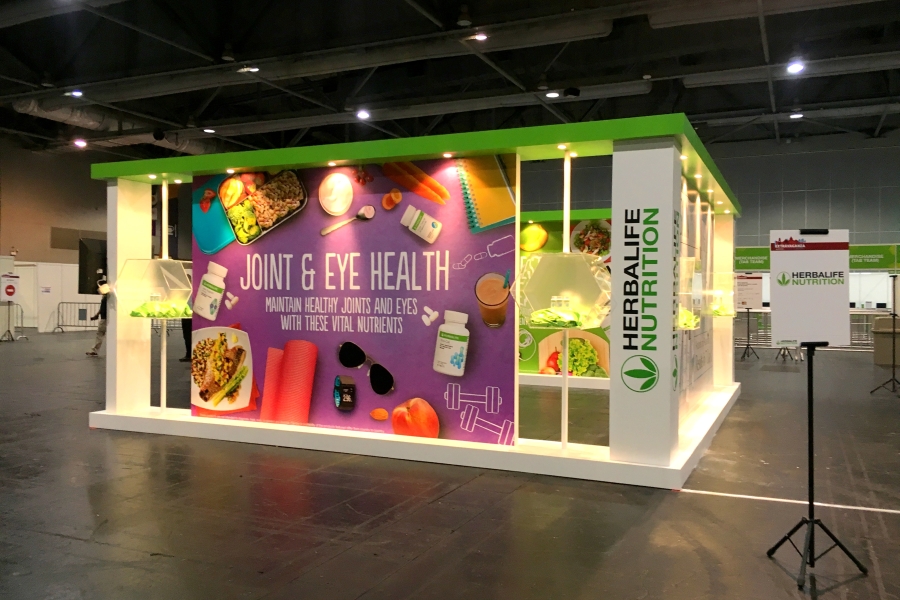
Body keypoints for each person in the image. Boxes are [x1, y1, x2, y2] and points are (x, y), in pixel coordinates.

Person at [86, 285, 109, 356]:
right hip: (106, 318)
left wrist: (97, 315)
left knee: (100, 334)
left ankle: (94, 350)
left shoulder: (106, 298)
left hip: (105, 318)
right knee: (101, 334)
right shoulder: (108, 297)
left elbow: (102, 309)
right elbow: (102, 308)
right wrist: (97, 315)